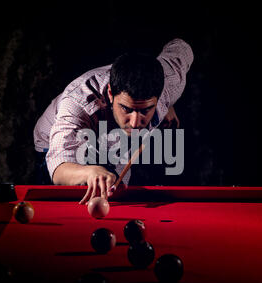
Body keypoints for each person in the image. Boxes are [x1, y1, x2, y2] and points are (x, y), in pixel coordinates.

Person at [33, 38, 193, 204]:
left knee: (115, 187)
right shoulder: (77, 103)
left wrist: (168, 104)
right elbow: (59, 168)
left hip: (111, 139)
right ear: (110, 93)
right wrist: (88, 172)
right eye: (127, 109)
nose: (135, 123)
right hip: (56, 141)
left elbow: (182, 47)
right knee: (78, 192)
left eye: (145, 110)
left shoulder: (170, 81)